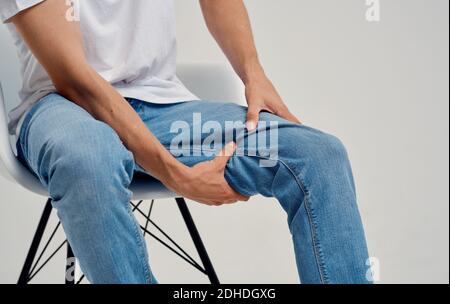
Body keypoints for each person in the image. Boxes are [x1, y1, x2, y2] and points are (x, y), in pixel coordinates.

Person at [0, 0, 371, 284]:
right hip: (62, 105)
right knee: (88, 157)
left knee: (318, 156)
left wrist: (253, 72)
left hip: (162, 107)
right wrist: (176, 174)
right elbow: (76, 81)